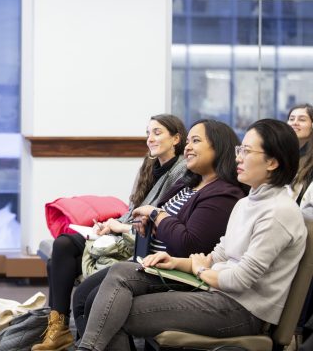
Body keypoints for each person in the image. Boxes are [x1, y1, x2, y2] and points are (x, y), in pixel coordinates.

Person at [76, 119, 306, 351]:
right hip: (217, 293)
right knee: (120, 273)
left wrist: (200, 270)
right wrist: (176, 262)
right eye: (240, 150)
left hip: (242, 310)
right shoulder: (247, 203)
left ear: (272, 162)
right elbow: (218, 256)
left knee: (115, 312)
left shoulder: (279, 212)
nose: (238, 157)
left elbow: (240, 280)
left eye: (246, 151)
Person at [72, 119, 247, 338]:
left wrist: (157, 215)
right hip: (147, 260)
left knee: (97, 301)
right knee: (82, 297)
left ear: (218, 147)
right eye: (188, 141)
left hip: (174, 271)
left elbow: (188, 244)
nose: (188, 147)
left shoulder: (223, 194)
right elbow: (159, 220)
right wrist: (146, 221)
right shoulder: (188, 182)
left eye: (196, 141)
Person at [31, 114, 188, 351]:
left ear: (176, 138)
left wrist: (120, 227)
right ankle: (59, 329)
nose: (150, 139)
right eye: (148, 133)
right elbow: (134, 209)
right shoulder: (151, 164)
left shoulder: (181, 170)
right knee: (62, 246)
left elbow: (156, 220)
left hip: (138, 242)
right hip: (123, 233)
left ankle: (63, 332)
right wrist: (110, 224)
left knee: (60, 257)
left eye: (157, 133)